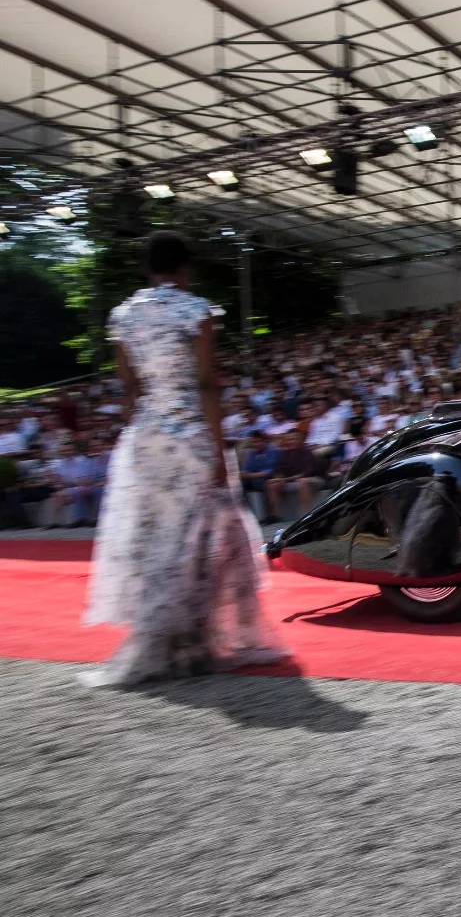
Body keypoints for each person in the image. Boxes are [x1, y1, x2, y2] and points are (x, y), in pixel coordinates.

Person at [81, 231, 286, 688]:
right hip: (191, 433)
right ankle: (196, 641)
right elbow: (207, 384)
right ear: (185, 267)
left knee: (155, 539)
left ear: (147, 268)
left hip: (145, 439)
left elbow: (130, 389)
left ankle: (160, 642)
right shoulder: (196, 311)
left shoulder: (123, 316)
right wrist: (217, 449)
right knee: (203, 538)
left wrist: (135, 443)